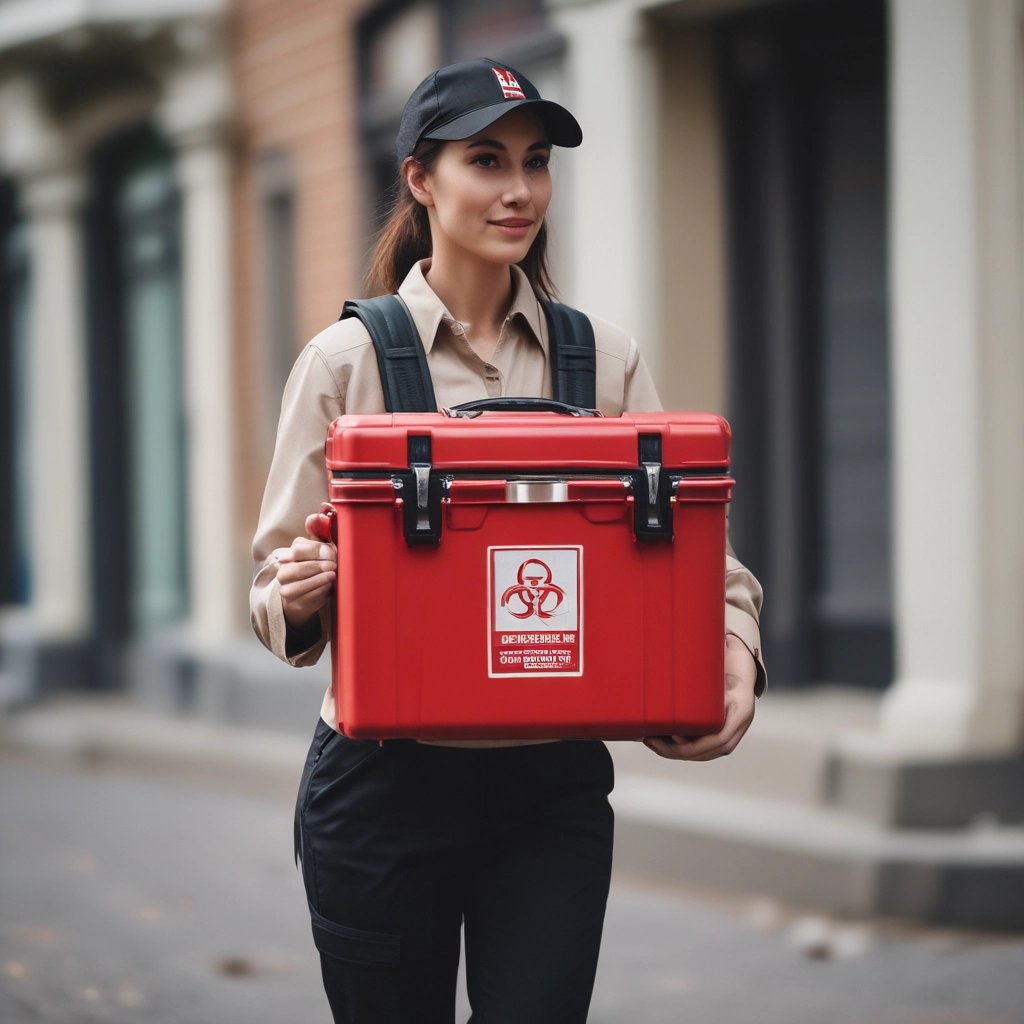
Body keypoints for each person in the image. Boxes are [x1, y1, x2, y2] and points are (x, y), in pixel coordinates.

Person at [250, 57, 766, 1024]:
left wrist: (735, 649)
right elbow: (273, 581)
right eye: (486, 160)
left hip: (551, 789)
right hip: (382, 790)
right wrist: (300, 589)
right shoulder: (347, 361)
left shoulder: (602, 356)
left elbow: (703, 548)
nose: (520, 189)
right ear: (419, 178)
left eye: (536, 162)